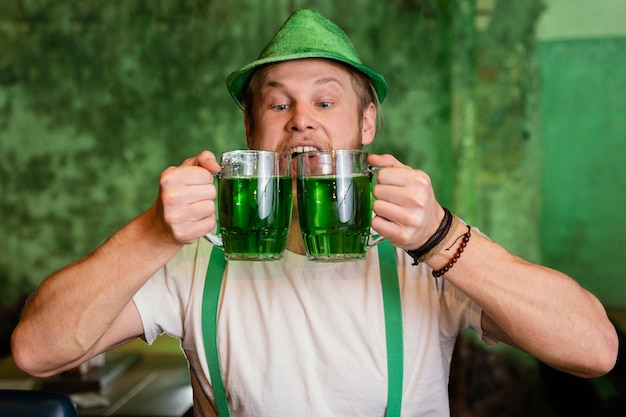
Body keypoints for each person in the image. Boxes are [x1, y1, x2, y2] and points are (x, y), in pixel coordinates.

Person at [11, 9, 617, 417]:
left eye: (326, 100)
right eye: (278, 104)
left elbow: (594, 351)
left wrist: (441, 237)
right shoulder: (196, 259)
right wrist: (150, 232)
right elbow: (38, 352)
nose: (302, 118)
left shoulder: (429, 248)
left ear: (366, 124)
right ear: (250, 131)